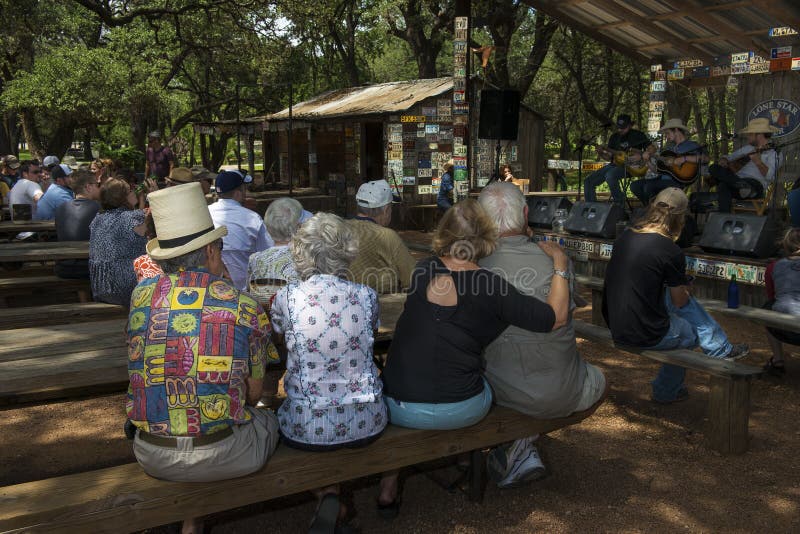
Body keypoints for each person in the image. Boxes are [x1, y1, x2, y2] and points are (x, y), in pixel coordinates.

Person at [378, 199, 569, 514]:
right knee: (494, 381)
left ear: (443, 233)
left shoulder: (423, 270)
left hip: (398, 406)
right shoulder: (491, 285)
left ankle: (388, 487)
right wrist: (560, 264)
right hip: (460, 408)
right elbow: (556, 317)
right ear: (485, 237)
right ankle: (484, 456)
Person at [126, 182, 279, 534]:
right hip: (222, 453)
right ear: (212, 250)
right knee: (268, 419)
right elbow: (252, 396)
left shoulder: (141, 295)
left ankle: (191, 521)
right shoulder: (244, 307)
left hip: (150, 452)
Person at [477, 182, 606, 488]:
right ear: (525, 213)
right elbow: (565, 313)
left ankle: (517, 441)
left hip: (500, 389)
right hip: (561, 389)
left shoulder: (474, 264)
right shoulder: (554, 259)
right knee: (601, 379)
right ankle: (522, 441)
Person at [270, 212, 386, 532]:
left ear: (300, 252)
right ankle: (333, 496)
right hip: (366, 419)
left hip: (306, 426)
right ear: (346, 251)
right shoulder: (366, 295)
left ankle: (326, 494)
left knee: (277, 418)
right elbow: (370, 333)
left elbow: (279, 334)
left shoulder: (287, 297)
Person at [602, 188, 749, 404]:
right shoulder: (670, 250)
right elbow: (680, 301)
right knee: (689, 330)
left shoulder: (626, 236)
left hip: (616, 325)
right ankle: (667, 390)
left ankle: (719, 346)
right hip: (644, 333)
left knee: (676, 299)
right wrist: (684, 287)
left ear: (652, 207)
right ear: (680, 217)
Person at [344, 180, 416, 294]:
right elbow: (412, 278)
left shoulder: (339, 229)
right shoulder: (387, 236)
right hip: (379, 305)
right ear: (386, 210)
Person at [208, 170, 272, 291]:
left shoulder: (205, 214)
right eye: (244, 189)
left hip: (211, 290)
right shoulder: (253, 219)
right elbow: (268, 254)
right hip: (245, 293)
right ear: (238, 193)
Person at [89, 178, 148, 305]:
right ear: (123, 197)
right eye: (130, 191)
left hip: (101, 287)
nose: (133, 192)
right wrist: (148, 196)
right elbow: (152, 223)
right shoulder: (132, 218)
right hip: (126, 288)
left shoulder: (97, 219)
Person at [709, 117, 780, 213]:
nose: (747, 137)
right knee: (713, 168)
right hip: (737, 184)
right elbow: (729, 157)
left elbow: (769, 177)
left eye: (750, 134)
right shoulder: (747, 148)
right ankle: (725, 219)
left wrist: (758, 162)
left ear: (759, 135)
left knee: (723, 185)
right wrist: (724, 159)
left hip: (755, 187)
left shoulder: (774, 153)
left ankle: (744, 188)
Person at [584, 114, 656, 206]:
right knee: (588, 181)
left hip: (633, 167)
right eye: (619, 127)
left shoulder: (638, 135)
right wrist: (601, 153)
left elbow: (652, 148)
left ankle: (619, 205)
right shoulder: (614, 137)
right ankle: (591, 209)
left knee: (610, 175)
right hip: (614, 165)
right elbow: (609, 158)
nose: (620, 130)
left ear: (630, 125)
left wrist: (643, 156)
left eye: (623, 127)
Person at [631, 118, 705, 205]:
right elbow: (657, 170)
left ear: (676, 130)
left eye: (667, 133)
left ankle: (652, 210)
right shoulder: (668, 149)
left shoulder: (691, 145)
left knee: (649, 187)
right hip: (661, 180)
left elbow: (705, 158)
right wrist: (648, 161)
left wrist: (684, 159)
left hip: (678, 181)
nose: (666, 136)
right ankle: (650, 207)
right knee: (635, 186)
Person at [247, 197, 302, 309]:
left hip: (265, 321)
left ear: (268, 227)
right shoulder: (304, 259)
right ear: (297, 227)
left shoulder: (255, 259)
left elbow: (250, 293)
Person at [761, 228, 800, 377]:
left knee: (768, 307)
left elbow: (772, 296)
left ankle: (778, 360)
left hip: (783, 329)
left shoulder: (773, 266)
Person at [54, 170, 101, 279]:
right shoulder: (99, 209)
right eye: (97, 185)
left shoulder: (61, 208)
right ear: (88, 187)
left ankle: (83, 296)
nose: (99, 188)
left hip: (63, 266)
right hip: (91, 268)